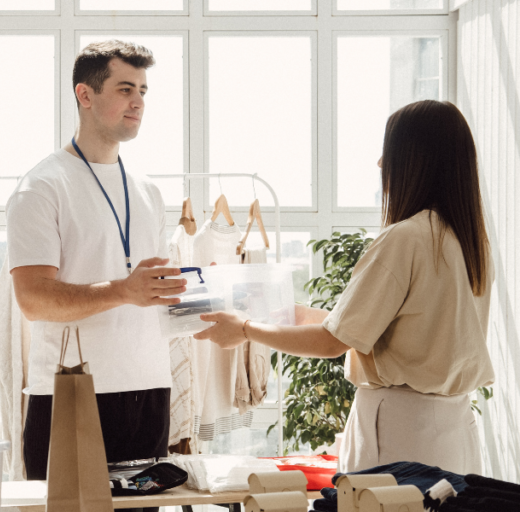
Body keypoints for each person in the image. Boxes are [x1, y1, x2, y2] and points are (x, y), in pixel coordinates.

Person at [195, 100, 494, 475]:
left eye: (389, 152)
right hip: (453, 430)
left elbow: (332, 344)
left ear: (415, 160)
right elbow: (407, 330)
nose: (381, 164)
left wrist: (243, 330)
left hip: (401, 430)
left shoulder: (404, 239)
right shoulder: (469, 242)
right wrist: (304, 315)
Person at [6, 39, 187, 498]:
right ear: (85, 95)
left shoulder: (148, 192)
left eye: (144, 90)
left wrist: (206, 307)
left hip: (149, 389)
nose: (139, 102)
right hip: (73, 393)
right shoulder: (41, 187)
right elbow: (33, 299)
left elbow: (154, 294)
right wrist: (124, 291)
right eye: (126, 89)